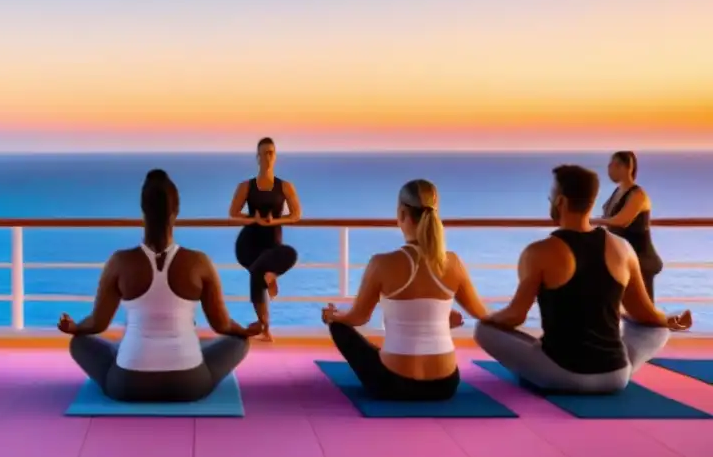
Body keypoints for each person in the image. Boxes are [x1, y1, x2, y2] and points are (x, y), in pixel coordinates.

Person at [475, 164, 691, 394]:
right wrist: (667, 321)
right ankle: (621, 363)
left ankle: (535, 369)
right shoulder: (623, 249)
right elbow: (645, 314)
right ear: (591, 201)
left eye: (552, 197)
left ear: (561, 202)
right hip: (615, 377)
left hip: (560, 375)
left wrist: (488, 317)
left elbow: (515, 316)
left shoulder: (538, 252)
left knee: (483, 330)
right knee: (658, 329)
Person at [59, 169, 262, 402]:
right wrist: (246, 331)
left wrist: (74, 328)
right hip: (189, 385)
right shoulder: (199, 262)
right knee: (238, 342)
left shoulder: (120, 262)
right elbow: (222, 325)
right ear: (176, 211)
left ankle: (127, 355)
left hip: (127, 385)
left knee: (79, 343)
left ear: (144, 211)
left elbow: (97, 323)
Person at [321, 179, 489, 401]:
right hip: (445, 386)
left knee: (339, 328)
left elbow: (358, 317)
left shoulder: (382, 263)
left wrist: (334, 316)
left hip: (393, 385)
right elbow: (482, 315)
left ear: (401, 214)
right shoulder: (453, 262)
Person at [228, 137, 302, 342]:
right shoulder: (246, 186)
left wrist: (274, 221)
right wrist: (255, 219)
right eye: (264, 153)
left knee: (290, 254)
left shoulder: (285, 186)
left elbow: (296, 214)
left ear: (275, 156)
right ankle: (265, 328)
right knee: (257, 273)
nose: (268, 156)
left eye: (271, 152)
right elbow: (233, 212)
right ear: (257, 157)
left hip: (273, 244)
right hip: (248, 244)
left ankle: (265, 326)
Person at [595, 151, 663, 300]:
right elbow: (609, 219)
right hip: (624, 258)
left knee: (645, 315)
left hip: (640, 260)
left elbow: (622, 221)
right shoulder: (618, 191)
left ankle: (677, 321)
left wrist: (592, 221)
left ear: (628, 167)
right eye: (609, 165)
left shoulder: (638, 195)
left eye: (614, 165)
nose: (609, 169)